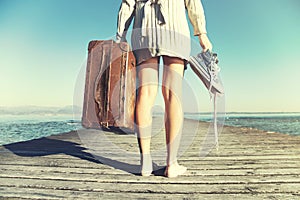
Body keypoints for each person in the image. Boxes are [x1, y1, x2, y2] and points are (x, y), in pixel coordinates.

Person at [117, 0, 212, 177]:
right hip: (174, 30)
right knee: (172, 94)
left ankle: (145, 162)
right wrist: (201, 33)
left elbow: (127, 4)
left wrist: (120, 35)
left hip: (144, 32)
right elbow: (193, 3)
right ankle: (171, 164)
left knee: (145, 94)